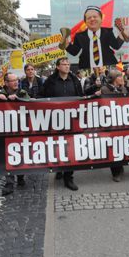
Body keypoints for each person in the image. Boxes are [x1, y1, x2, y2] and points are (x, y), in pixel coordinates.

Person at [42, 57, 83, 190]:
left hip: (71, 120)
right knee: (58, 147)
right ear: (58, 67)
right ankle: (59, 168)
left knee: (70, 148)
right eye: (64, 64)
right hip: (55, 120)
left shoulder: (75, 80)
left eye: (68, 64)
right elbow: (41, 97)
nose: (67, 66)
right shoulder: (50, 81)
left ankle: (69, 178)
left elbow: (81, 97)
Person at [61, 5, 129, 69]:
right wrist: (66, 44)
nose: (92, 19)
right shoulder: (80, 36)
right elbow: (74, 52)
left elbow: (116, 46)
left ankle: (124, 31)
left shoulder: (107, 32)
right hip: (88, 68)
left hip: (107, 66)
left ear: (101, 19)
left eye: (95, 16)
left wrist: (122, 34)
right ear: (85, 22)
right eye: (89, 18)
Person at [0, 73, 30, 194]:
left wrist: (18, 99)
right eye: (12, 81)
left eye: (16, 80)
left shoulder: (22, 92)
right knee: (8, 156)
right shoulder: (1, 93)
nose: (16, 82)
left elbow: (30, 103)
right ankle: (9, 183)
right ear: (6, 83)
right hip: (6, 130)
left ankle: (21, 177)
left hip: (21, 129)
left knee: (21, 153)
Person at [101, 70, 127, 182]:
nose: (122, 79)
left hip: (122, 122)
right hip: (110, 123)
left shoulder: (123, 88)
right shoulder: (105, 89)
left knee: (122, 145)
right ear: (114, 78)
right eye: (120, 77)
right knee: (113, 147)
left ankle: (121, 167)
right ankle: (116, 172)